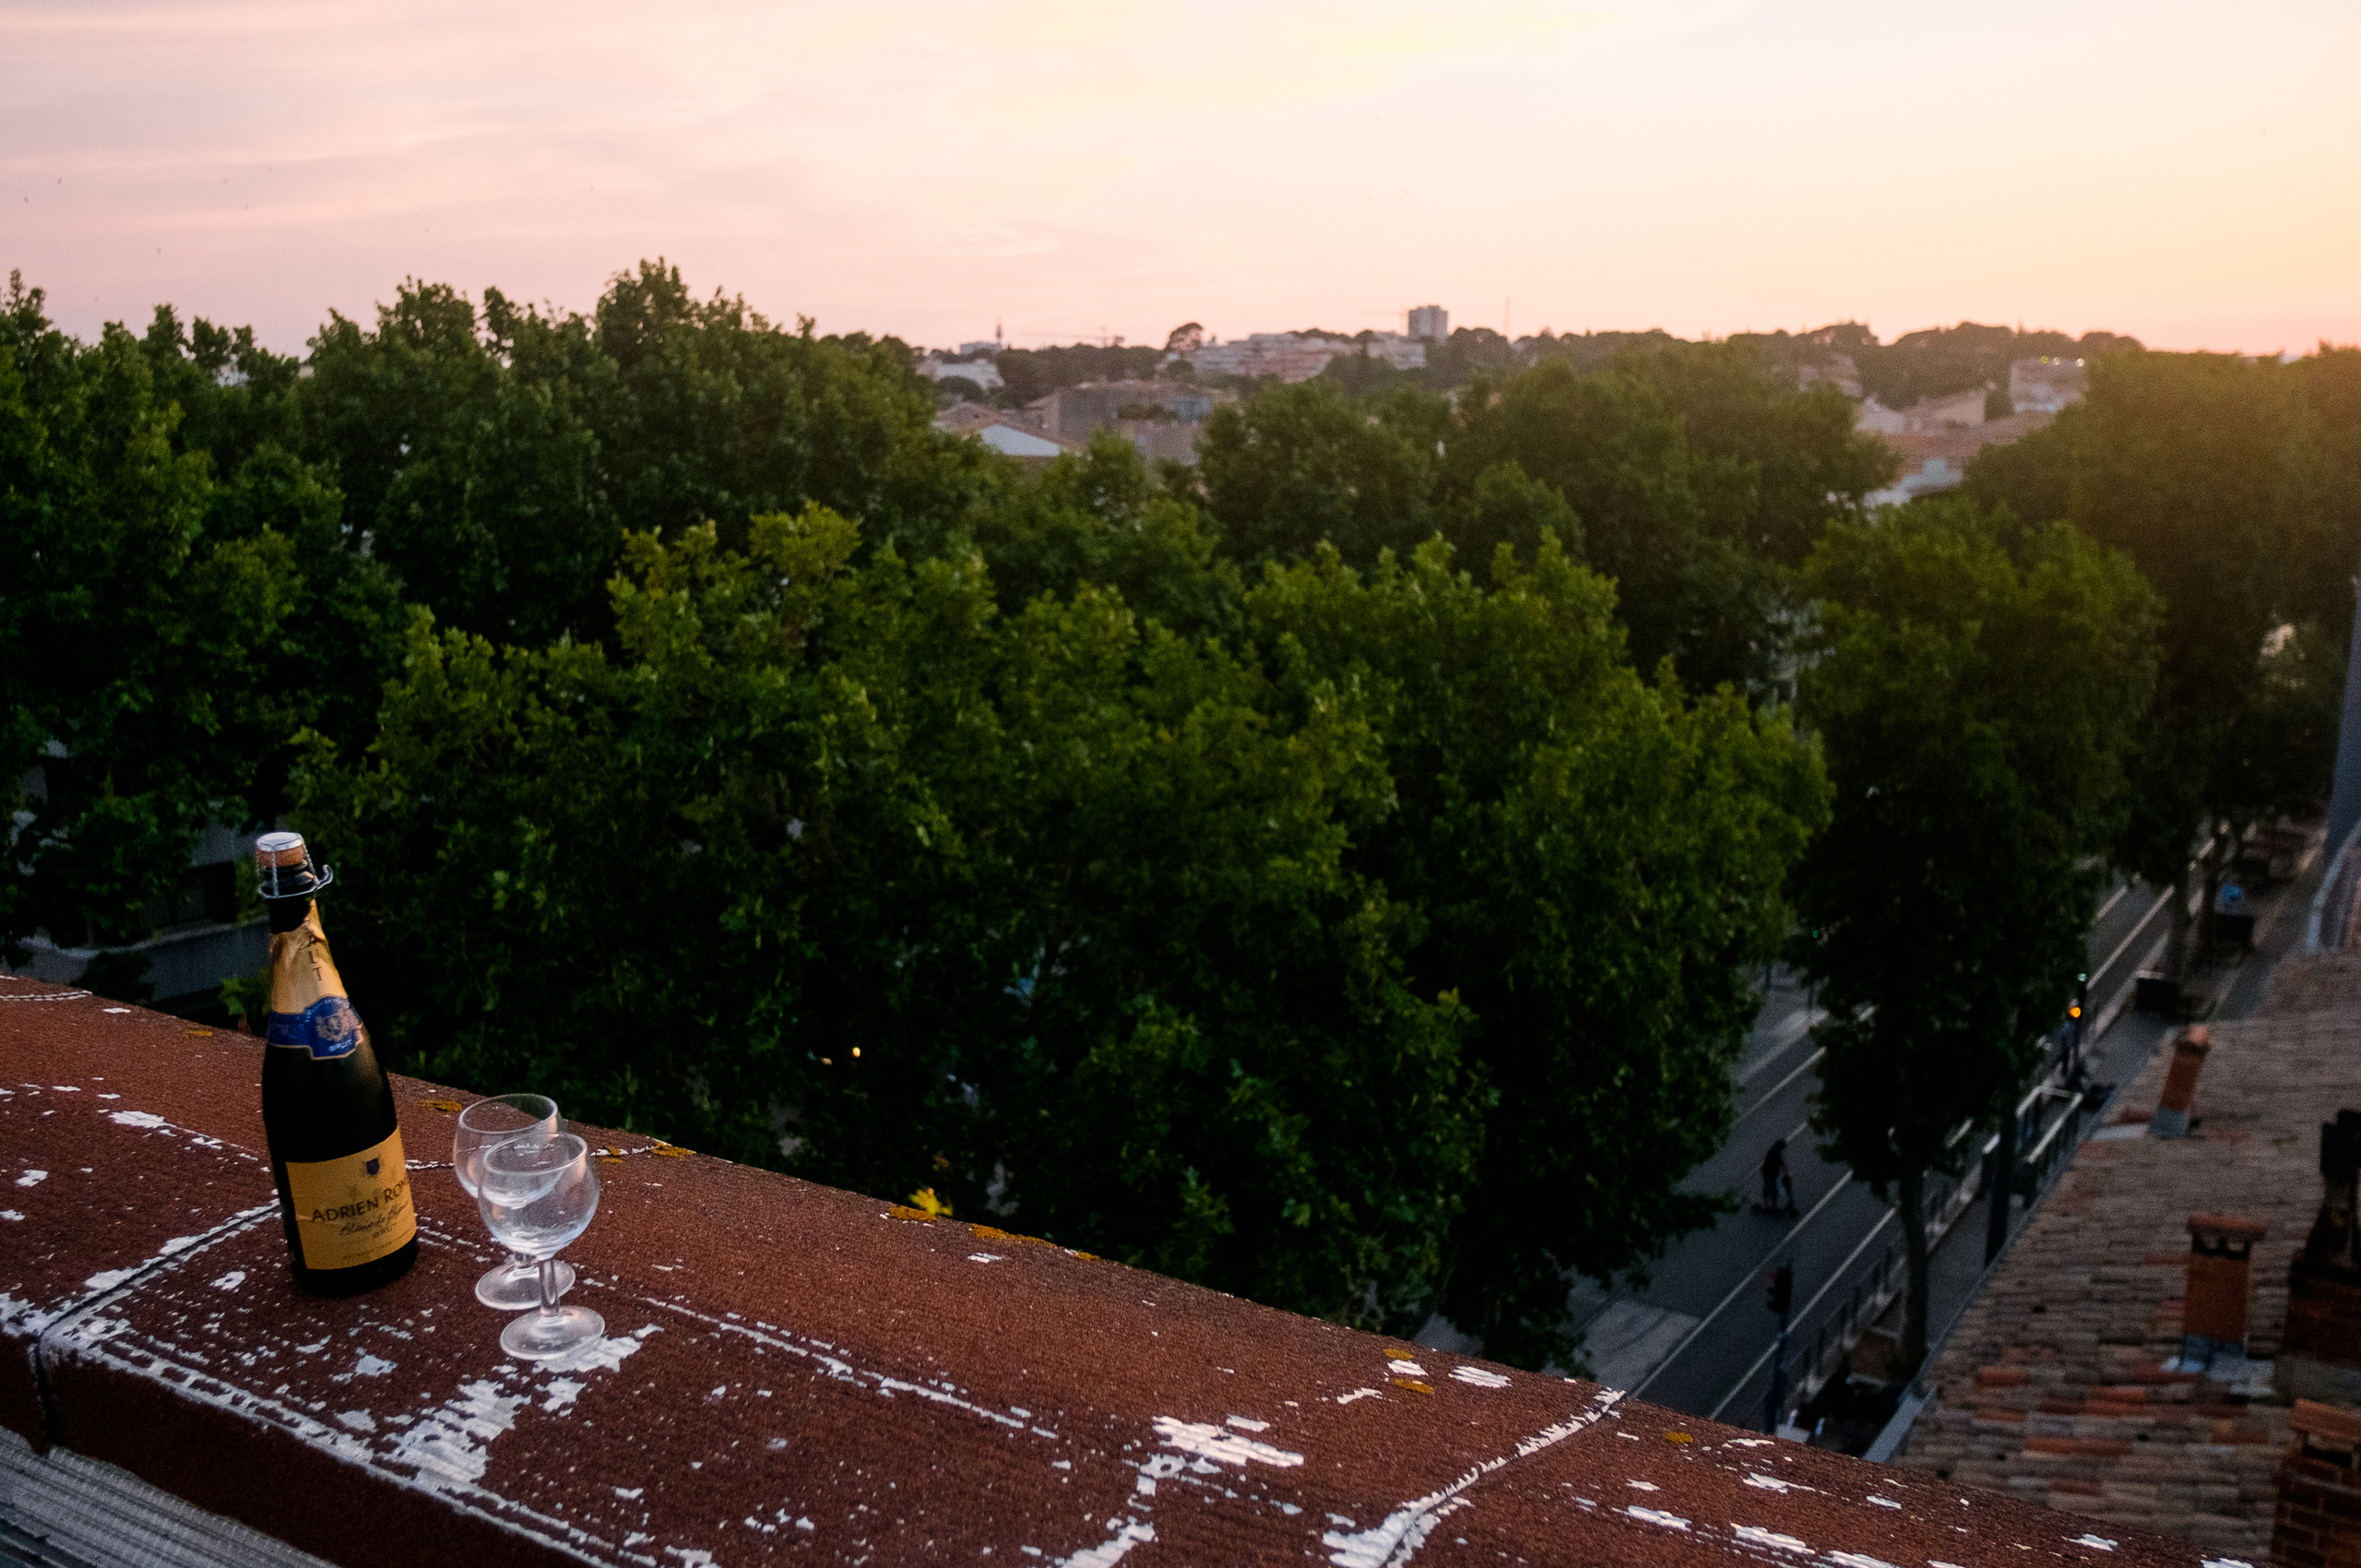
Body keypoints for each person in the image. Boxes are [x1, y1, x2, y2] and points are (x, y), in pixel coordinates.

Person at [1761, 1140, 1797, 1216]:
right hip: (1770, 1174)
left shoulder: (1772, 1152)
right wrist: (1786, 1174)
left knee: (1767, 1187)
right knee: (1773, 1190)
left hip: (1766, 1173)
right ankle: (1773, 1205)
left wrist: (1784, 1172)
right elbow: (1780, 1164)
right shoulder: (1775, 1154)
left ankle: (1766, 1203)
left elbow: (1781, 1164)